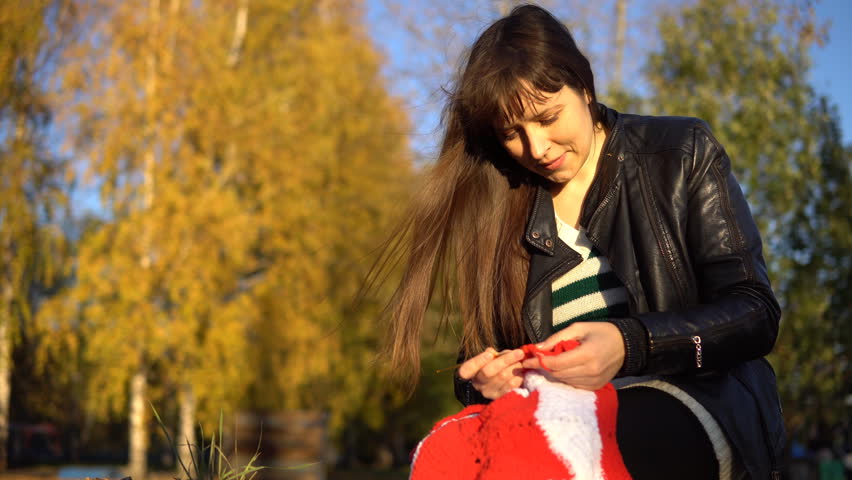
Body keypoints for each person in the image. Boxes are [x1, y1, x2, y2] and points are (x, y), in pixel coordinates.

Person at [375, 4, 785, 479]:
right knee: (442, 457)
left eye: (548, 118)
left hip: (695, 396)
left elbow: (755, 313)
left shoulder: (680, 152)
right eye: (512, 132)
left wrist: (629, 344)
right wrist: (487, 382)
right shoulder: (501, 201)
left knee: (553, 458)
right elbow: (478, 359)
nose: (537, 149)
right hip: (549, 412)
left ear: (585, 87)